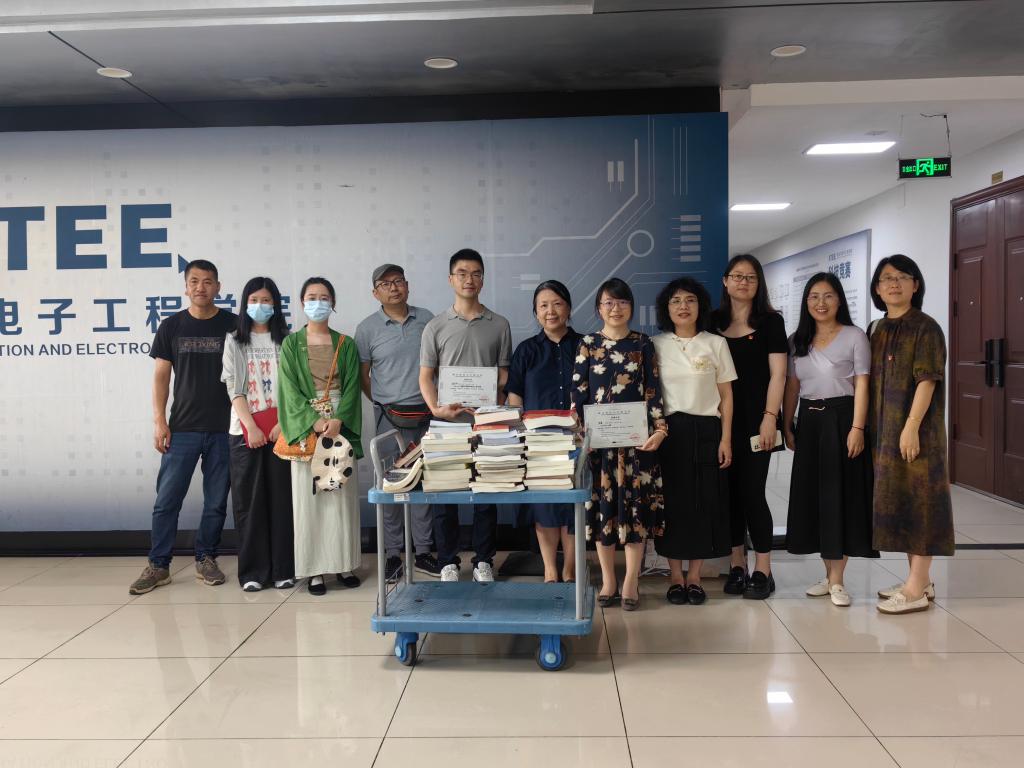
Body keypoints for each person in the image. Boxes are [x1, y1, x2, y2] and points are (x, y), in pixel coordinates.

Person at [129, 259, 238, 595]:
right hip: (183, 429)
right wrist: (159, 421)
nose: (200, 287)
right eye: (194, 281)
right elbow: (161, 377)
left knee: (216, 502)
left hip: (225, 428)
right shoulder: (171, 326)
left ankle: (206, 557)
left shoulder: (234, 325)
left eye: (207, 281)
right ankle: (159, 565)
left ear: (218, 287)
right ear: (186, 287)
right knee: (167, 500)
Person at [571, 277, 666, 611]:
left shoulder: (643, 344)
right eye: (608, 302)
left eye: (622, 302)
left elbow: (653, 390)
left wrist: (660, 429)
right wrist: (581, 434)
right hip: (599, 447)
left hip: (636, 446)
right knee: (604, 513)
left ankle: (631, 581)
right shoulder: (587, 344)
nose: (616, 308)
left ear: (631, 307)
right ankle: (609, 580)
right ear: (599, 308)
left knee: (634, 512)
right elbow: (578, 395)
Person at [782, 273, 876, 607]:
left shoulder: (854, 336)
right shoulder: (797, 340)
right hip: (809, 421)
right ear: (806, 302)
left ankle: (838, 580)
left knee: (841, 496)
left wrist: (858, 427)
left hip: (842, 420)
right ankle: (828, 573)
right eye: (814, 297)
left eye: (828, 296)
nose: (821, 303)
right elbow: (792, 387)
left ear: (839, 300)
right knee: (816, 497)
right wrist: (787, 424)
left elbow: (862, 384)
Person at [419, 249, 513, 583]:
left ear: (483, 280)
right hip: (447, 423)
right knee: (444, 494)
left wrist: (491, 401)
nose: (469, 279)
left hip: (487, 423)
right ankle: (447, 561)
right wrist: (436, 408)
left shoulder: (499, 324)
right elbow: (425, 376)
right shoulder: (435, 326)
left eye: (475, 273)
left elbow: (504, 374)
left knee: (485, 494)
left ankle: (484, 560)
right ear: (450, 279)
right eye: (462, 273)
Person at [868, 255, 954, 615]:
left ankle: (916, 588)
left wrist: (911, 426)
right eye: (887, 278)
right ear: (877, 288)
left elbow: (927, 380)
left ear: (915, 285)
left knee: (922, 504)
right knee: (901, 501)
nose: (894, 284)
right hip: (884, 433)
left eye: (903, 277)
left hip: (917, 433)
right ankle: (920, 580)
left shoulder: (926, 327)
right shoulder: (876, 328)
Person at [652, 277, 736, 606]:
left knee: (703, 502)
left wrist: (726, 438)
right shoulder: (655, 345)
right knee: (672, 503)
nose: (683, 306)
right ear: (666, 309)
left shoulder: (715, 343)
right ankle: (675, 576)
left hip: (707, 430)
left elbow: (726, 396)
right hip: (669, 432)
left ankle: (696, 577)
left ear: (700, 306)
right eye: (675, 301)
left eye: (690, 300)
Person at [355, 263, 441, 581]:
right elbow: (364, 376)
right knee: (390, 485)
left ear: (407, 285)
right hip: (388, 419)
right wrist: (384, 400)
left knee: (424, 484)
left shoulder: (427, 319)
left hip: (427, 416)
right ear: (375, 292)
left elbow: (437, 365)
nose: (394, 287)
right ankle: (393, 554)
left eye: (399, 281)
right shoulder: (367, 329)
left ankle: (424, 552)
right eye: (385, 283)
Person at [278, 277, 362, 596]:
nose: (318, 302)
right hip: (308, 429)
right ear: (302, 303)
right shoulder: (291, 344)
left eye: (324, 297)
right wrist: (313, 422)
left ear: (333, 303)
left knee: (341, 497)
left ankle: (343, 564)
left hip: (339, 425)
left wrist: (339, 419)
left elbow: (352, 387)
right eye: (312, 297)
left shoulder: (346, 344)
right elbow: (288, 390)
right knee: (309, 499)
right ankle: (314, 570)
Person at [713, 254, 788, 600]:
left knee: (753, 493)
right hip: (721, 423)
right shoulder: (712, 322)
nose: (743, 282)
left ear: (759, 284)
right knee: (728, 494)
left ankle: (764, 569)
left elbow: (779, 375)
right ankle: (737, 564)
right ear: (725, 281)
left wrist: (771, 416)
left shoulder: (771, 322)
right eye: (737, 276)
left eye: (751, 277)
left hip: (759, 422)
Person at [505, 279, 582, 584]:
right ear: (536, 312)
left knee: (574, 503)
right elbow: (514, 396)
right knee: (545, 506)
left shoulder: (586, 345)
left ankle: (571, 568)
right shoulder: (527, 350)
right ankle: (550, 568)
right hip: (539, 442)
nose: (551, 311)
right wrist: (519, 433)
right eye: (544, 305)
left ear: (569, 308)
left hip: (577, 440)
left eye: (557, 304)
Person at [221, 276, 294, 592]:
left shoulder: (287, 340)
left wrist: (283, 425)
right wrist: (250, 426)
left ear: (275, 304)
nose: (260, 306)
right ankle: (252, 572)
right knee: (249, 502)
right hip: (244, 431)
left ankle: (283, 569)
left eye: (266, 300)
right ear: (244, 304)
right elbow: (233, 387)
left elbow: (296, 389)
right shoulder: (235, 340)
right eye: (254, 300)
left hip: (282, 430)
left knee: (282, 500)